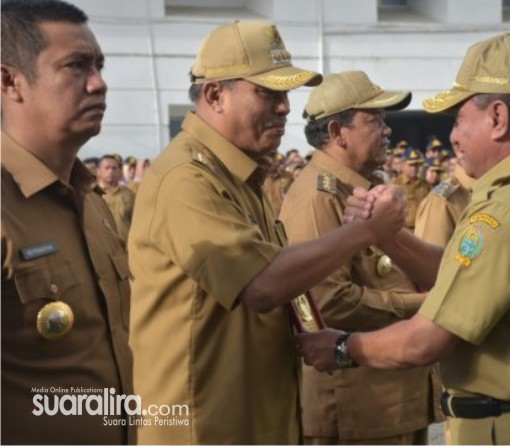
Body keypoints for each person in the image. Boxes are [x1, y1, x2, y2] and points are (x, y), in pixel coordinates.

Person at [296, 33, 510, 445]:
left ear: (497, 118)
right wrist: (389, 238)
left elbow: (424, 340)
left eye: (460, 119)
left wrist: (340, 348)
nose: (454, 136)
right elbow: (468, 272)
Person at [127, 20, 406, 445]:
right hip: (204, 426)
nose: (284, 108)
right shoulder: (187, 178)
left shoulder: (239, 174)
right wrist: (365, 231)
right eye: (267, 93)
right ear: (215, 94)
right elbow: (259, 285)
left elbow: (282, 280)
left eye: (285, 94)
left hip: (253, 416)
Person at [280, 70, 442, 445]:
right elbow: (327, 301)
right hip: (357, 410)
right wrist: (425, 306)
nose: (387, 129)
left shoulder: (359, 189)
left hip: (386, 401)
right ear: (338, 132)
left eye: (385, 119)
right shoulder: (319, 197)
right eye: (375, 119)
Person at [1, 0, 134, 444]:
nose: (99, 84)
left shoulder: (90, 199)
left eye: (99, 65)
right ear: (9, 81)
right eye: (77, 66)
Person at [414, 162, 474, 249]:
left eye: (438, 172)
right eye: (433, 171)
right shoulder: (441, 200)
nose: (435, 175)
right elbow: (429, 258)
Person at [97, 154, 136, 244]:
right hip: (102, 246)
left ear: (120, 171)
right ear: (98, 171)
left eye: (114, 168)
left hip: (125, 246)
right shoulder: (92, 194)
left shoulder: (129, 194)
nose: (110, 171)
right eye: (107, 168)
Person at [393, 146, 431, 230]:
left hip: (422, 228)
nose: (414, 168)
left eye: (416, 165)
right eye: (411, 165)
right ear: (402, 165)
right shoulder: (395, 185)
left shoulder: (425, 185)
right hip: (404, 230)